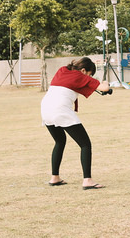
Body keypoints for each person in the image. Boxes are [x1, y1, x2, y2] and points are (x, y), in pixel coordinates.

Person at [40, 57, 111, 189]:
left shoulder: (63, 70)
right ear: (84, 70)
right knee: (85, 144)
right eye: (89, 74)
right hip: (60, 109)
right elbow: (104, 88)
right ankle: (87, 180)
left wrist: (91, 81)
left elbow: (74, 84)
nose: (89, 77)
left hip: (45, 108)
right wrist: (106, 83)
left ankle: (55, 177)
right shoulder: (81, 76)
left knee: (60, 141)